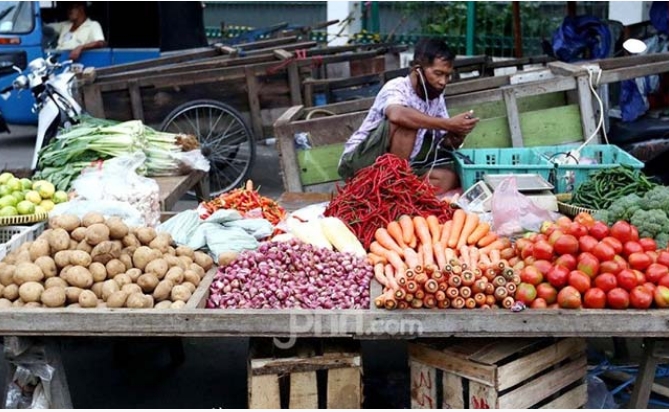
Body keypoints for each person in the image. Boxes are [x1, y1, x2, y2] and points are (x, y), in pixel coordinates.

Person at [338, 38, 479, 195]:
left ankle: (395, 193)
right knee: (408, 123)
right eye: (438, 74)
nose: (442, 82)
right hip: (360, 161)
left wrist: (455, 136)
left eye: (447, 76)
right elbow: (397, 115)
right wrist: (448, 124)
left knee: (447, 178)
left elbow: (442, 141)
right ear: (417, 69)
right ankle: (394, 190)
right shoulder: (397, 87)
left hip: (403, 167)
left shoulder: (435, 96)